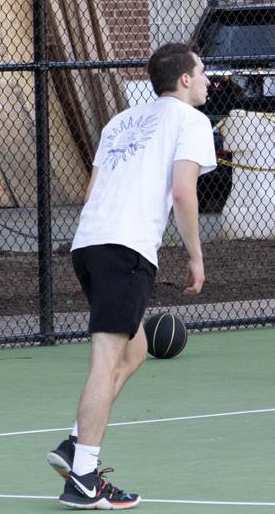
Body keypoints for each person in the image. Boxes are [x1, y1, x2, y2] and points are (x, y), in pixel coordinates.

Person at [47, 43, 215, 510]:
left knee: (135, 348)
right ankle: (83, 477)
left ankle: (74, 444)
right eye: (201, 72)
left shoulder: (120, 120)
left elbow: (92, 191)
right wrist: (196, 256)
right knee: (105, 358)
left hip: (90, 244)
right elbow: (184, 193)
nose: (207, 80)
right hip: (125, 248)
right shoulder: (192, 122)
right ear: (183, 79)